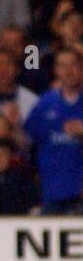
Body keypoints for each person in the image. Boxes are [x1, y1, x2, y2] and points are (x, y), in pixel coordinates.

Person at [23, 46, 83, 213]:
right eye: (63, 66)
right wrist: (13, 125)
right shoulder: (45, 103)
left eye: (73, 65)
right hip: (53, 192)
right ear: (56, 70)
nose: (69, 71)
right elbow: (25, 139)